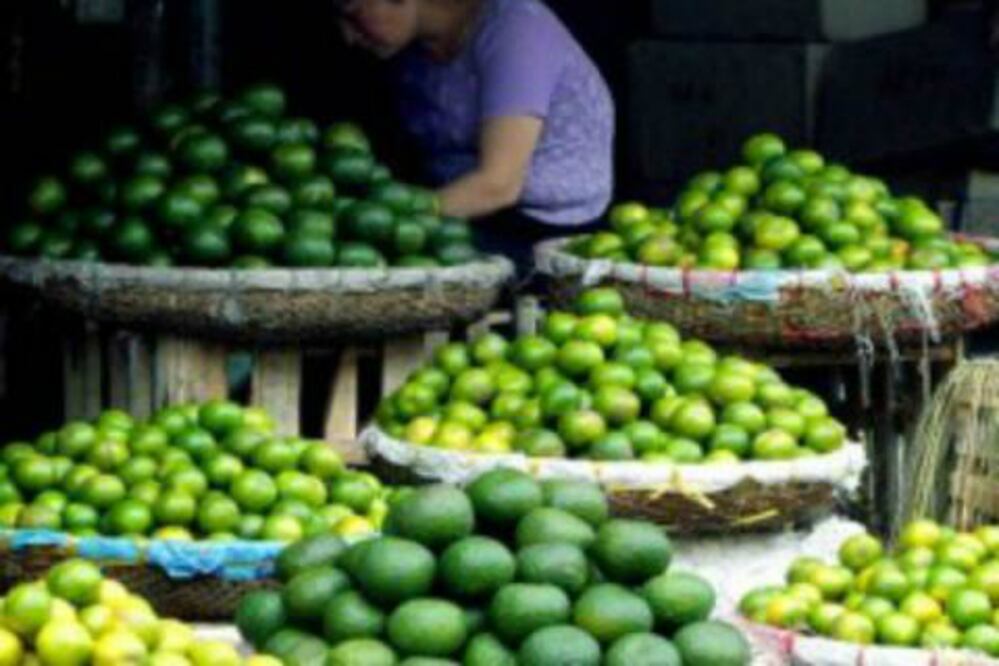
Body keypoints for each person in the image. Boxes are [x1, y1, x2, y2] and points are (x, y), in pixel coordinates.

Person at [338, 0, 615, 270]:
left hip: (539, 228)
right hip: (461, 212)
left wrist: (390, 224)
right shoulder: (413, 51)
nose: (347, 36)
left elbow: (498, 185)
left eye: (351, 11)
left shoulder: (515, 30)